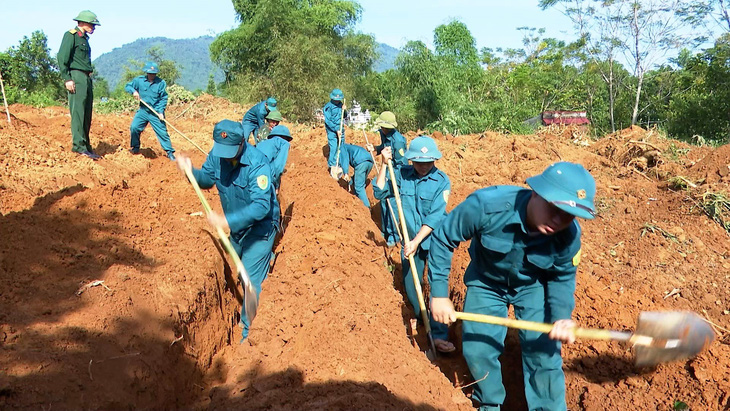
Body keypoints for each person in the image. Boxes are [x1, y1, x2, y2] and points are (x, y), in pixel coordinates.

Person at [427, 162, 597, 411]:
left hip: (532, 286)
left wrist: (562, 317)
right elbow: (443, 238)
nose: (559, 220)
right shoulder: (486, 206)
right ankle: (488, 403)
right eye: (554, 208)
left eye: (569, 214)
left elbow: (562, 276)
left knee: (544, 354)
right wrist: (440, 295)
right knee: (478, 350)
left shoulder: (568, 236)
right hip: (487, 282)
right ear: (537, 192)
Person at [176, 120, 280, 341]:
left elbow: (261, 207)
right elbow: (206, 180)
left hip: (259, 230)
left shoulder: (257, 165)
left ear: (242, 142)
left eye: (230, 152)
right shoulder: (217, 155)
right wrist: (190, 171)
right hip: (236, 229)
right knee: (231, 270)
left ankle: (248, 333)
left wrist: (226, 221)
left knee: (249, 280)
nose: (225, 157)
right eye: (222, 151)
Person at [373, 136, 454, 353]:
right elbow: (379, 191)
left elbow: (436, 216)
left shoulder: (442, 181)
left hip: (435, 240)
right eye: (419, 162)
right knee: (411, 286)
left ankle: (438, 335)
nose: (423, 166)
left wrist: (417, 241)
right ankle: (423, 320)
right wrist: (383, 165)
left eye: (428, 162)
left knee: (437, 286)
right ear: (411, 160)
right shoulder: (401, 175)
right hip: (409, 242)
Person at [57, 10, 101, 160]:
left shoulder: (84, 39)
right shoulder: (71, 36)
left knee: (87, 113)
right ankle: (79, 146)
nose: (93, 27)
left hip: (86, 78)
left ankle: (86, 146)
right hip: (76, 76)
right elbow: (62, 57)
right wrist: (67, 78)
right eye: (92, 24)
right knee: (78, 113)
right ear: (82, 22)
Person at [367, 111, 407, 247]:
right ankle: (385, 232)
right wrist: (376, 149)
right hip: (387, 171)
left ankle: (394, 237)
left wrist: (393, 179)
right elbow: (383, 147)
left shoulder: (398, 141)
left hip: (396, 174)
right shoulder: (383, 134)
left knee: (392, 205)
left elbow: (402, 164)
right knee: (384, 202)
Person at [125, 61, 176, 160]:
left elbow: (163, 98)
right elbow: (128, 86)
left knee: (162, 132)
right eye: (150, 73)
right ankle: (135, 148)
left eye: (153, 74)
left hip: (156, 112)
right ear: (146, 73)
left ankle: (170, 152)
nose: (152, 75)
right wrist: (134, 91)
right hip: (143, 110)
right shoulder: (139, 81)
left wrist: (161, 112)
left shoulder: (161, 83)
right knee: (134, 127)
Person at [333, 143, 374, 208]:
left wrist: (346, 173)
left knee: (359, 187)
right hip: (370, 162)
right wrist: (350, 182)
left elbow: (345, 160)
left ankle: (367, 207)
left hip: (361, 162)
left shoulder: (342, 147)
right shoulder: (351, 147)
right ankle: (356, 196)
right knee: (358, 181)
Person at [255, 124, 292, 190]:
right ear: (286, 138)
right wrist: (276, 185)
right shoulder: (284, 143)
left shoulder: (262, 143)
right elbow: (278, 167)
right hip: (265, 177)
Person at [323, 88, 347, 175]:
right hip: (332, 130)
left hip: (341, 129)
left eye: (338, 100)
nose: (337, 102)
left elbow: (344, 116)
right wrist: (336, 130)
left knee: (341, 147)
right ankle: (332, 165)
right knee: (333, 147)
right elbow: (328, 121)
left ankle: (340, 164)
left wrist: (344, 110)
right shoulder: (328, 107)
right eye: (336, 100)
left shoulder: (341, 105)